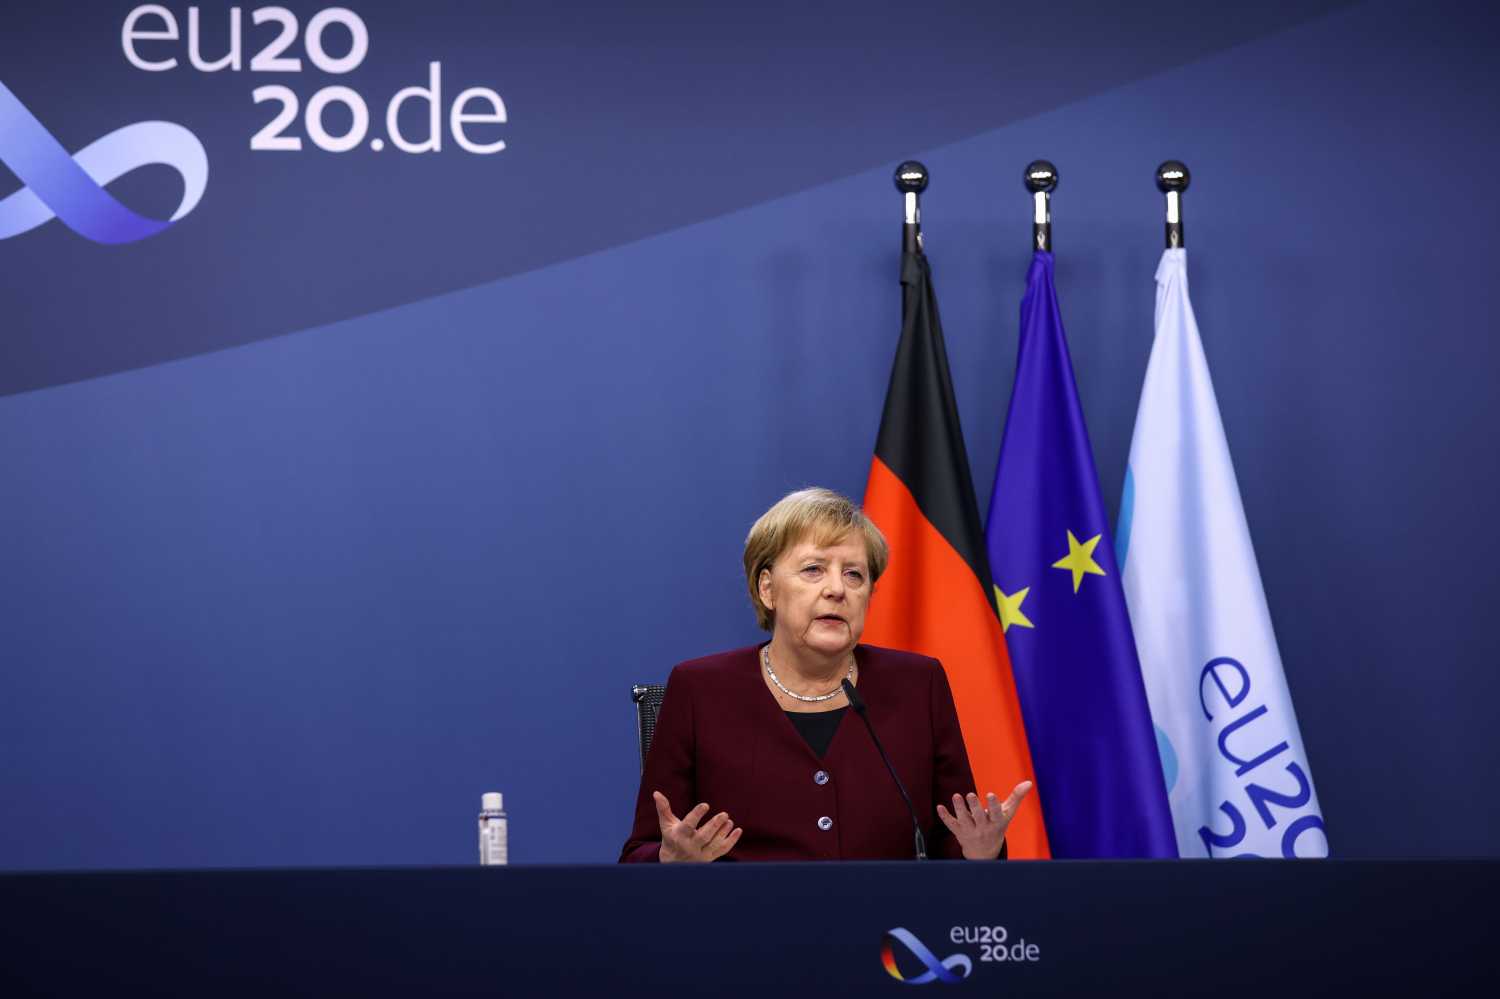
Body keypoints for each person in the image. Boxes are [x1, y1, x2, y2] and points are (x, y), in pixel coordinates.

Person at [620, 487, 1031, 862]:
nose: (838, 589)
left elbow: (951, 839)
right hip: (746, 931)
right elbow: (639, 854)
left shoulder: (917, 685)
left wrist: (982, 850)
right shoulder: (700, 689)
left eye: (854, 574)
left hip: (886, 932)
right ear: (767, 589)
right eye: (814, 569)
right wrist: (670, 861)